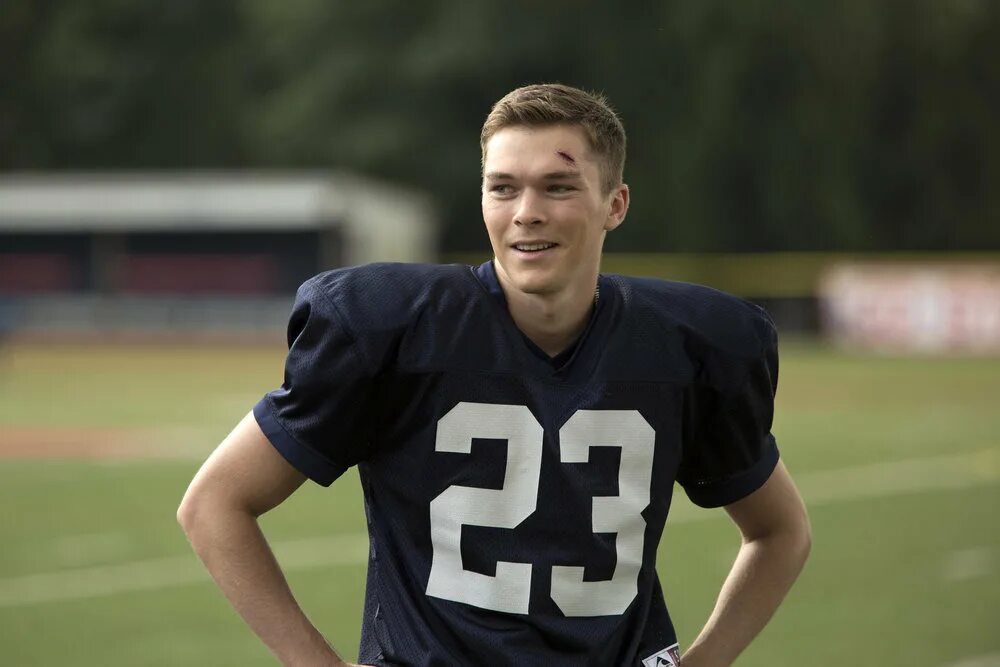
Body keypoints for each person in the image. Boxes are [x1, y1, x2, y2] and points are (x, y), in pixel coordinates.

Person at [178, 83, 811, 667]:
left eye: (558, 187)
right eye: (503, 187)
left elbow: (780, 531)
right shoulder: (393, 329)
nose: (526, 212)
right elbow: (213, 504)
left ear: (614, 204)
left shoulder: (687, 346)